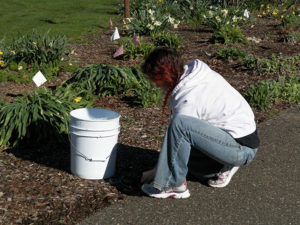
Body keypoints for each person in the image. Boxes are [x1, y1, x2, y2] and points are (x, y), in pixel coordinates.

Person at [140, 47, 260, 199]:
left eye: (156, 80)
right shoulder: (195, 74)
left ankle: (174, 185)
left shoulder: (188, 98)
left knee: (180, 127)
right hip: (240, 139)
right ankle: (220, 165)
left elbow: (177, 138)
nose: (156, 86)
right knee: (183, 160)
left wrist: (158, 173)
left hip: (241, 150)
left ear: (166, 74)